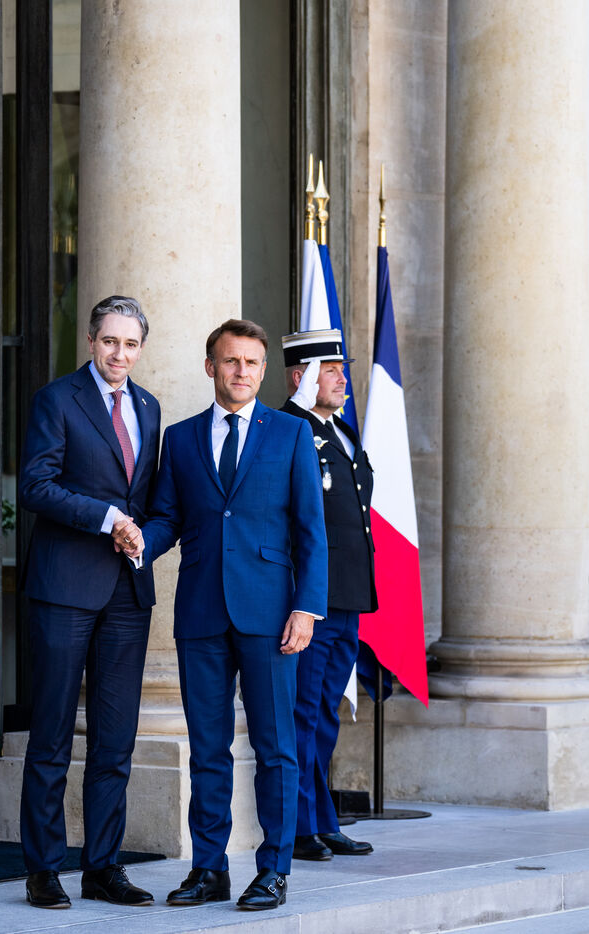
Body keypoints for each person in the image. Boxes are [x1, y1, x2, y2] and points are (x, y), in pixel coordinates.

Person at [114, 319, 327, 910]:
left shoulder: (290, 433)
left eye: (251, 362)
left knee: (276, 748)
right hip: (201, 613)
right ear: (211, 367)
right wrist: (141, 542)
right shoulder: (180, 439)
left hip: (271, 615)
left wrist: (307, 608)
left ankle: (274, 871)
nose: (241, 371)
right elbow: (167, 516)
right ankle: (209, 869)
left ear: (263, 370)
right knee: (208, 750)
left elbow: (311, 531)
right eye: (231, 361)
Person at [18, 296, 161, 909]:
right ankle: (43, 869)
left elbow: (147, 497)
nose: (119, 354)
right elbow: (35, 485)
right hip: (64, 587)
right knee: (52, 733)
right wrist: (108, 519)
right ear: (90, 340)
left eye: (130, 344)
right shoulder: (57, 399)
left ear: (140, 349)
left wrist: (142, 535)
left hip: (127, 591)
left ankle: (103, 867)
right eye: (110, 341)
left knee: (115, 739)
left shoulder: (149, 407)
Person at [280, 328, 377, 861]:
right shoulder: (291, 428)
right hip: (312, 601)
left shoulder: (340, 432)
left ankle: (322, 819)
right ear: (301, 378)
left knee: (324, 715)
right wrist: (296, 407)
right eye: (331, 371)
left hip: (347, 599)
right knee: (303, 713)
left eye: (342, 370)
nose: (343, 380)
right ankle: (299, 827)